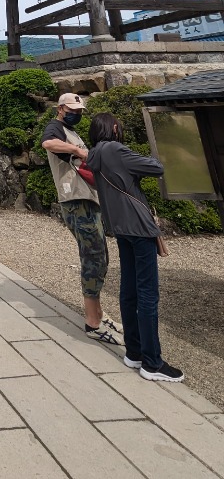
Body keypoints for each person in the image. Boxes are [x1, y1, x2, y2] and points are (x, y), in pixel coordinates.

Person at [86, 112, 183, 382]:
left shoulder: (94, 154)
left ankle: (134, 352)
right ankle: (152, 363)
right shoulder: (116, 149)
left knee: (129, 291)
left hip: (120, 227)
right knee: (148, 295)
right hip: (139, 228)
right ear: (114, 128)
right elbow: (156, 167)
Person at [41, 92, 123, 344]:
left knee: (100, 255)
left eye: (79, 110)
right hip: (76, 201)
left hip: (88, 199)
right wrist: (79, 151)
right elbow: (48, 144)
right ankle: (93, 323)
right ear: (60, 108)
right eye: (72, 109)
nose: (76, 114)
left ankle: (98, 312)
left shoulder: (70, 130)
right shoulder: (56, 128)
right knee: (93, 257)